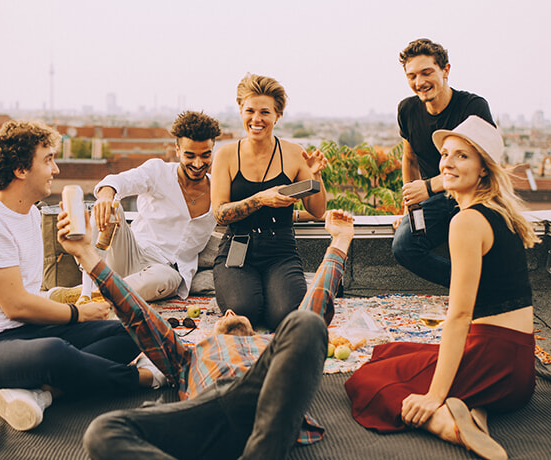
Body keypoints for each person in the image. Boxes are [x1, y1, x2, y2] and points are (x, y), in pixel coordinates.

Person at [54, 208, 354, 460]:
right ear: (209, 335)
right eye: (225, 315)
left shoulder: (273, 345)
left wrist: (340, 240)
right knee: (103, 432)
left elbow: (315, 305)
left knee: (308, 324)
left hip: (267, 400)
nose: (230, 313)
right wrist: (85, 253)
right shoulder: (185, 356)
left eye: (233, 314)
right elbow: (138, 315)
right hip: (206, 411)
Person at [346, 116, 538, 460]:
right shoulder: (502, 213)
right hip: (519, 373)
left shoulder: (466, 221)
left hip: (490, 360)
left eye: (462, 156)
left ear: (483, 169)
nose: (447, 162)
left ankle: (445, 423)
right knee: (389, 352)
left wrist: (433, 395)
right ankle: (473, 413)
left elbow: (460, 316)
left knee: (368, 378)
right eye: (446, 154)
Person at [0, 120, 154, 433]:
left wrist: (79, 249)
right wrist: (78, 314)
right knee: (55, 353)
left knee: (128, 333)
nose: (55, 169)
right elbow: (15, 305)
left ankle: (42, 394)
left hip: (23, 334)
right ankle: (144, 379)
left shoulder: (30, 213)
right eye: (48, 160)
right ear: (20, 170)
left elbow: (28, 306)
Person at [53, 111, 222, 303]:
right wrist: (105, 198)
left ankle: (99, 294)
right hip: (133, 253)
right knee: (112, 206)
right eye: (190, 155)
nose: (198, 163)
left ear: (213, 150)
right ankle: (86, 289)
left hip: (169, 271)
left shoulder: (220, 190)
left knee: (160, 279)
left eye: (205, 155)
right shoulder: (158, 171)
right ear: (177, 150)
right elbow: (116, 182)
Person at [211, 73, 327, 330]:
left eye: (265, 112)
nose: (256, 119)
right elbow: (219, 214)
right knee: (244, 312)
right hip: (237, 248)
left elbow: (318, 211)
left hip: (281, 250)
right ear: (240, 110)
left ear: (277, 115)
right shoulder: (226, 155)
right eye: (250, 110)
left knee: (285, 316)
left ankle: (274, 291)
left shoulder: (294, 153)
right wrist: (260, 199)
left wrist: (316, 176)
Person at [392, 38, 495, 287]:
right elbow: (410, 158)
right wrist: (410, 203)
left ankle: (478, 287)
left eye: (427, 72)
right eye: (412, 75)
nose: (419, 82)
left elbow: (483, 164)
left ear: (445, 70)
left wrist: (427, 188)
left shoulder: (472, 107)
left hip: (474, 195)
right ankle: (476, 285)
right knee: (404, 247)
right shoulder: (407, 110)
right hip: (436, 200)